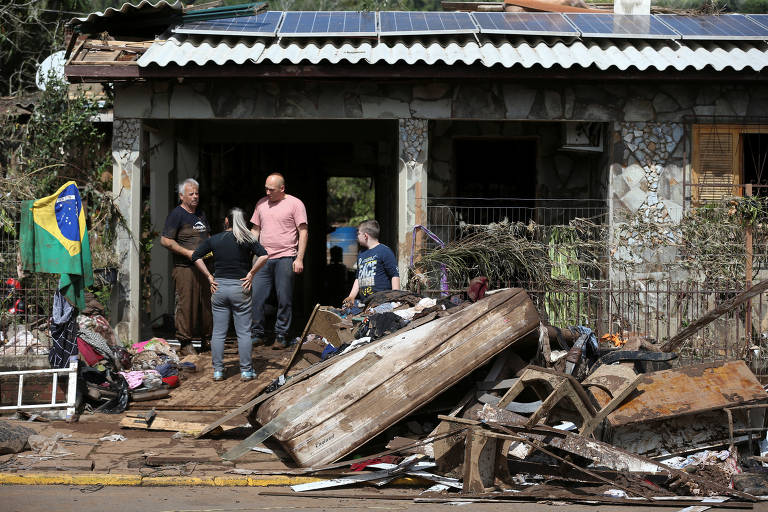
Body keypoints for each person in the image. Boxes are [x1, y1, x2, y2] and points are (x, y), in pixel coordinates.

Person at [192, 208, 268, 381]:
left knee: (218, 332)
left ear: (226, 220)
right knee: (243, 332)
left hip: (218, 288)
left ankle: (218, 371)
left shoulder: (216, 239)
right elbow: (264, 256)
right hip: (240, 287)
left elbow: (196, 256)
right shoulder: (247, 239)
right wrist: (251, 274)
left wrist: (209, 277)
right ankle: (246, 371)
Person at [250, 173, 308, 349]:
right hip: (263, 258)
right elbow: (255, 230)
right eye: (266, 188)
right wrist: (251, 253)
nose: (267, 192)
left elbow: (303, 231)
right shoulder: (261, 204)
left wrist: (299, 258)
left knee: (284, 298)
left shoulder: (295, 204)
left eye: (271, 189)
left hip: (285, 257)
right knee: (256, 297)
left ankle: (282, 335)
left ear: (282, 189)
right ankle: (257, 333)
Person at [160, 178, 212, 356]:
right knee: (186, 305)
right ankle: (185, 343)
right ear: (182, 196)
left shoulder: (200, 214)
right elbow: (165, 240)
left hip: (204, 267)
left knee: (207, 305)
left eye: (197, 193)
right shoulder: (177, 214)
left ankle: (207, 340)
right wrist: (187, 253)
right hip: (185, 268)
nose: (196, 196)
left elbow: (207, 235)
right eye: (191, 194)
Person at [343, 220, 400, 307]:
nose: (357, 237)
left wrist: (396, 299)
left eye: (358, 234)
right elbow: (358, 278)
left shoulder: (384, 251)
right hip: (365, 303)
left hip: (382, 302)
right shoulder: (361, 254)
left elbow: (394, 275)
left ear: (365, 235)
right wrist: (351, 296)